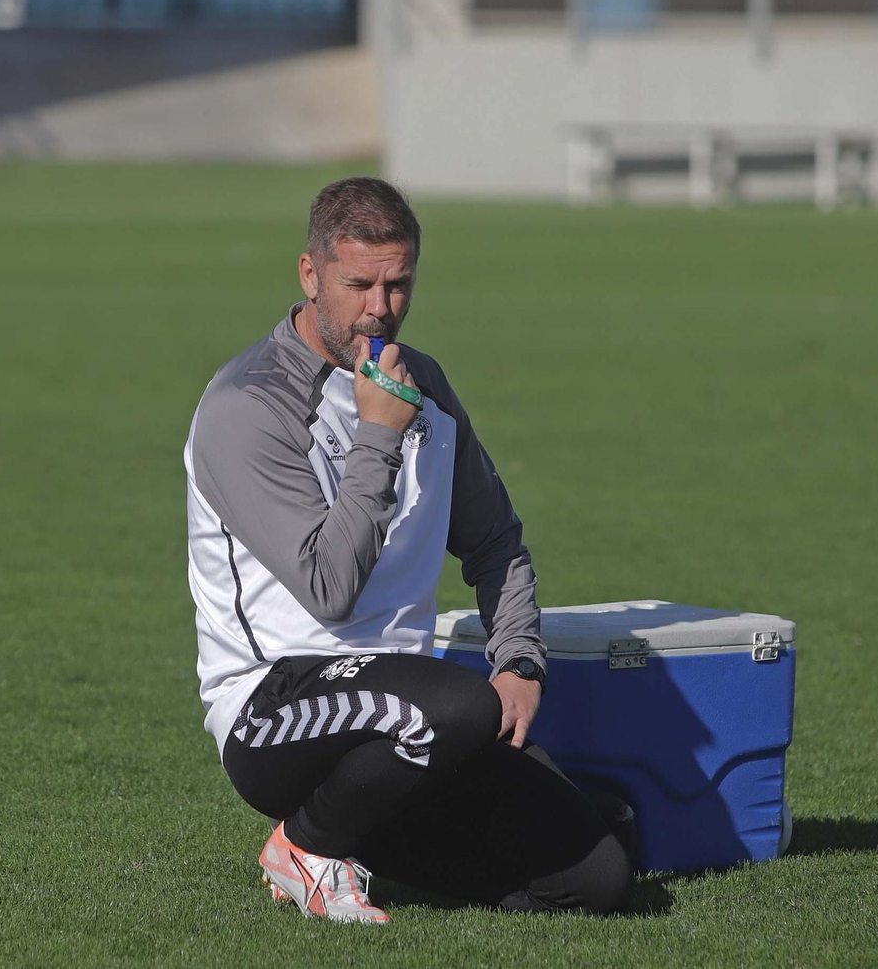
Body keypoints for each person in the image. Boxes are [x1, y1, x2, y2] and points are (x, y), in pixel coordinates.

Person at [184, 177, 632, 923]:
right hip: (274, 708)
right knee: (456, 700)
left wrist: (519, 659)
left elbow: (496, 541)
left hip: (413, 720)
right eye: (358, 283)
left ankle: (363, 838)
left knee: (601, 876)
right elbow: (331, 587)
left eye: (398, 284)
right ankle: (305, 843)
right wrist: (379, 434)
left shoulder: (423, 382)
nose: (379, 307)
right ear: (309, 274)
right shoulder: (247, 406)